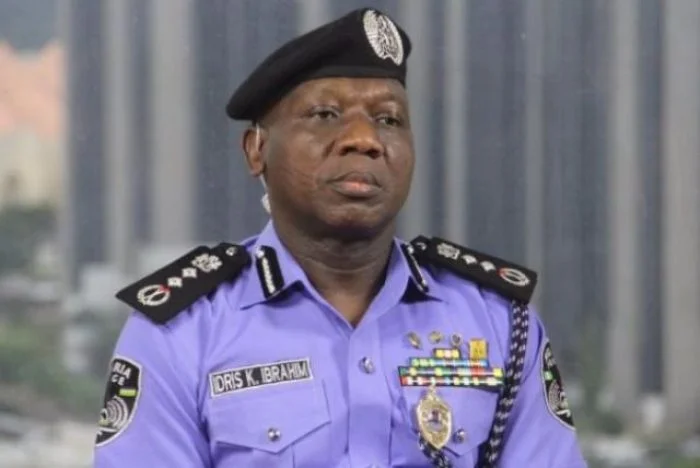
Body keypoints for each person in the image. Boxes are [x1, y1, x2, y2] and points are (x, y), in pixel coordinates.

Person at [92, 7, 587, 468]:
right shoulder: (181, 332)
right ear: (256, 150)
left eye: (389, 119)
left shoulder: (498, 321)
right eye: (325, 115)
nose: (364, 139)